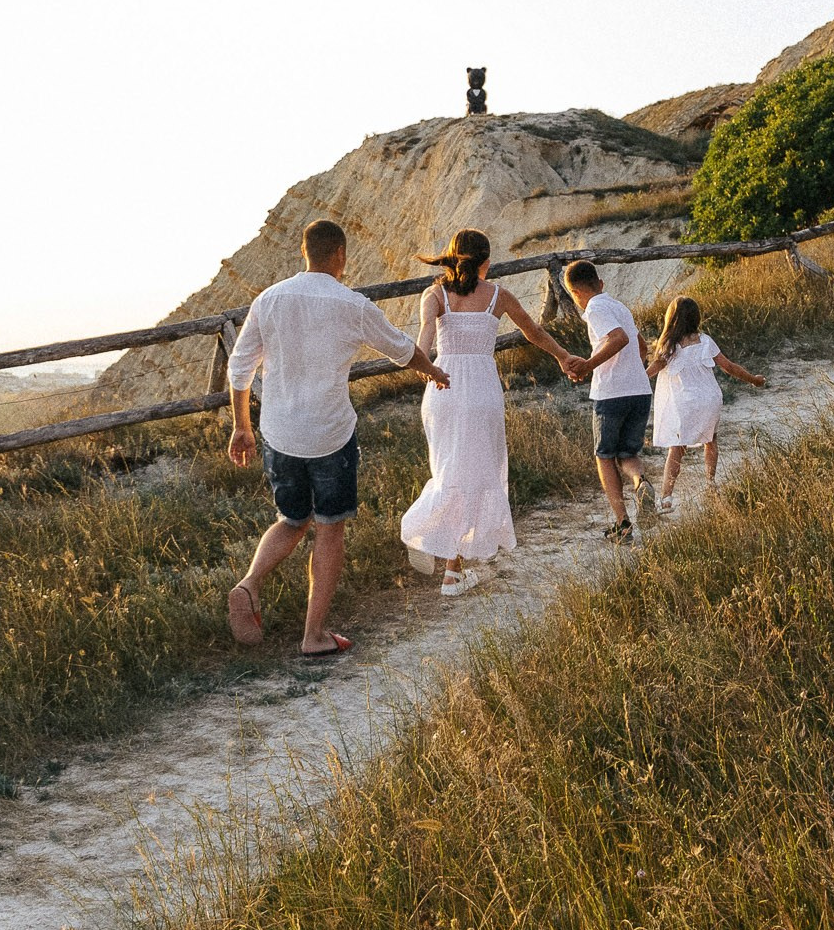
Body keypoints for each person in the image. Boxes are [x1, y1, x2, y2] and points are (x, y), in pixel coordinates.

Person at [224, 217, 448, 654]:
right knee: (329, 530)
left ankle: (250, 584)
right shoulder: (352, 304)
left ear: (303, 253)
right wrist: (434, 371)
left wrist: (241, 426)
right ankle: (314, 637)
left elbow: (239, 367)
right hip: (329, 436)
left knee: (292, 519)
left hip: (279, 434)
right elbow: (402, 350)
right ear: (342, 256)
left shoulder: (268, 299)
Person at [401, 228, 586, 595]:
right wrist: (565, 356)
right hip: (481, 389)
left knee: (448, 469)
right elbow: (533, 331)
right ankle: (442, 555)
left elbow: (423, 337)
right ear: (486, 261)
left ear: (452, 257)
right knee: (477, 472)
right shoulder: (498, 295)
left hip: (443, 387)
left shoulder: (434, 294)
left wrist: (426, 366)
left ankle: (443, 555)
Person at [645, 296, 765, 513]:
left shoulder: (669, 346)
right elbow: (729, 367)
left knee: (677, 448)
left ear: (671, 318)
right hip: (709, 400)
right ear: (696, 318)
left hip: (685, 403)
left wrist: (635, 382)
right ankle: (710, 483)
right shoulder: (706, 341)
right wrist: (754, 380)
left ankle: (666, 498)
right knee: (711, 440)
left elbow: (651, 372)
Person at [562, 260, 653, 540]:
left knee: (604, 457)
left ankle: (623, 523)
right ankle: (641, 483)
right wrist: (632, 372)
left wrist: (589, 366)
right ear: (600, 283)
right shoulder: (619, 306)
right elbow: (641, 346)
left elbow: (619, 338)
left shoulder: (595, 308)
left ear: (574, 292)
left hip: (612, 393)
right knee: (628, 455)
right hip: (639, 390)